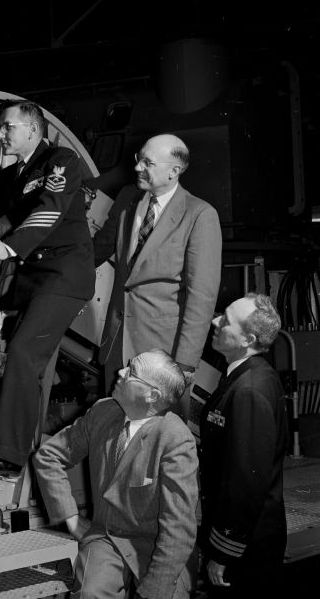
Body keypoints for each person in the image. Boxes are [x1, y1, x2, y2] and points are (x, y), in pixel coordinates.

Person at [0, 100, 95, 472]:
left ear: (33, 130)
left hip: (63, 276)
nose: (0, 135)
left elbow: (50, 208)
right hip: (32, 279)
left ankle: (6, 456)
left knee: (21, 353)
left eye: (8, 128)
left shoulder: (61, 161)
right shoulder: (14, 174)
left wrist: (7, 246)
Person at [34, 349, 199, 599]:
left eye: (131, 372)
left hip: (158, 548)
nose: (120, 372)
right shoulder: (104, 411)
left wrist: (154, 591)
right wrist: (70, 517)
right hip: (105, 538)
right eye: (128, 366)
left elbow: (178, 528)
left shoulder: (174, 438)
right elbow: (49, 456)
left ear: (152, 395)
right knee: (89, 593)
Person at [92, 134, 222, 414]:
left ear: (174, 171)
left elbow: (202, 296)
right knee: (111, 433)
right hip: (116, 345)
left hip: (163, 358)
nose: (138, 167)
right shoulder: (128, 197)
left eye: (147, 162)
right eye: (138, 159)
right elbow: (98, 249)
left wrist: (184, 364)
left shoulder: (199, 215)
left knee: (156, 442)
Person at [198, 293, 288, 599]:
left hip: (245, 548)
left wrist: (223, 552)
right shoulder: (243, 376)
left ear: (247, 338)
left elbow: (246, 482)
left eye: (225, 320)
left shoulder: (249, 389)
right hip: (245, 537)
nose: (215, 321)